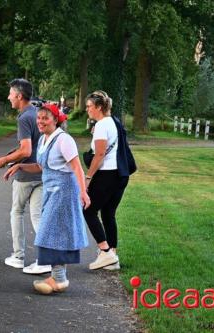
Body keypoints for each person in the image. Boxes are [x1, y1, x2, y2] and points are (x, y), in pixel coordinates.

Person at [4, 103, 90, 294]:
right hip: (51, 191)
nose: (41, 121)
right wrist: (20, 166)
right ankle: (57, 277)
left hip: (64, 192)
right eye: (39, 118)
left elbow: (76, 168)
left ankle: (59, 278)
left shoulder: (63, 140)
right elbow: (42, 167)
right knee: (53, 233)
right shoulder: (44, 139)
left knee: (51, 232)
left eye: (45, 118)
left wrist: (83, 193)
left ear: (55, 120)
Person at [0, 78, 51, 275]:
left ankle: (18, 256)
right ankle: (45, 259)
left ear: (19, 96)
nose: (8, 97)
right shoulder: (38, 114)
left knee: (17, 212)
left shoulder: (24, 117)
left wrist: (2, 160)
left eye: (10, 94)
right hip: (42, 171)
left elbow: (25, 150)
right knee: (38, 216)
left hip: (25, 174)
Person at [83, 90, 134, 271]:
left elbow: (100, 155)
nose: (87, 109)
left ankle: (105, 251)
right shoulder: (114, 122)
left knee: (88, 210)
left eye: (89, 106)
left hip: (107, 174)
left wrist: (88, 177)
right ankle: (112, 258)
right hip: (121, 174)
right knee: (108, 213)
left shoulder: (103, 125)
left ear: (99, 107)